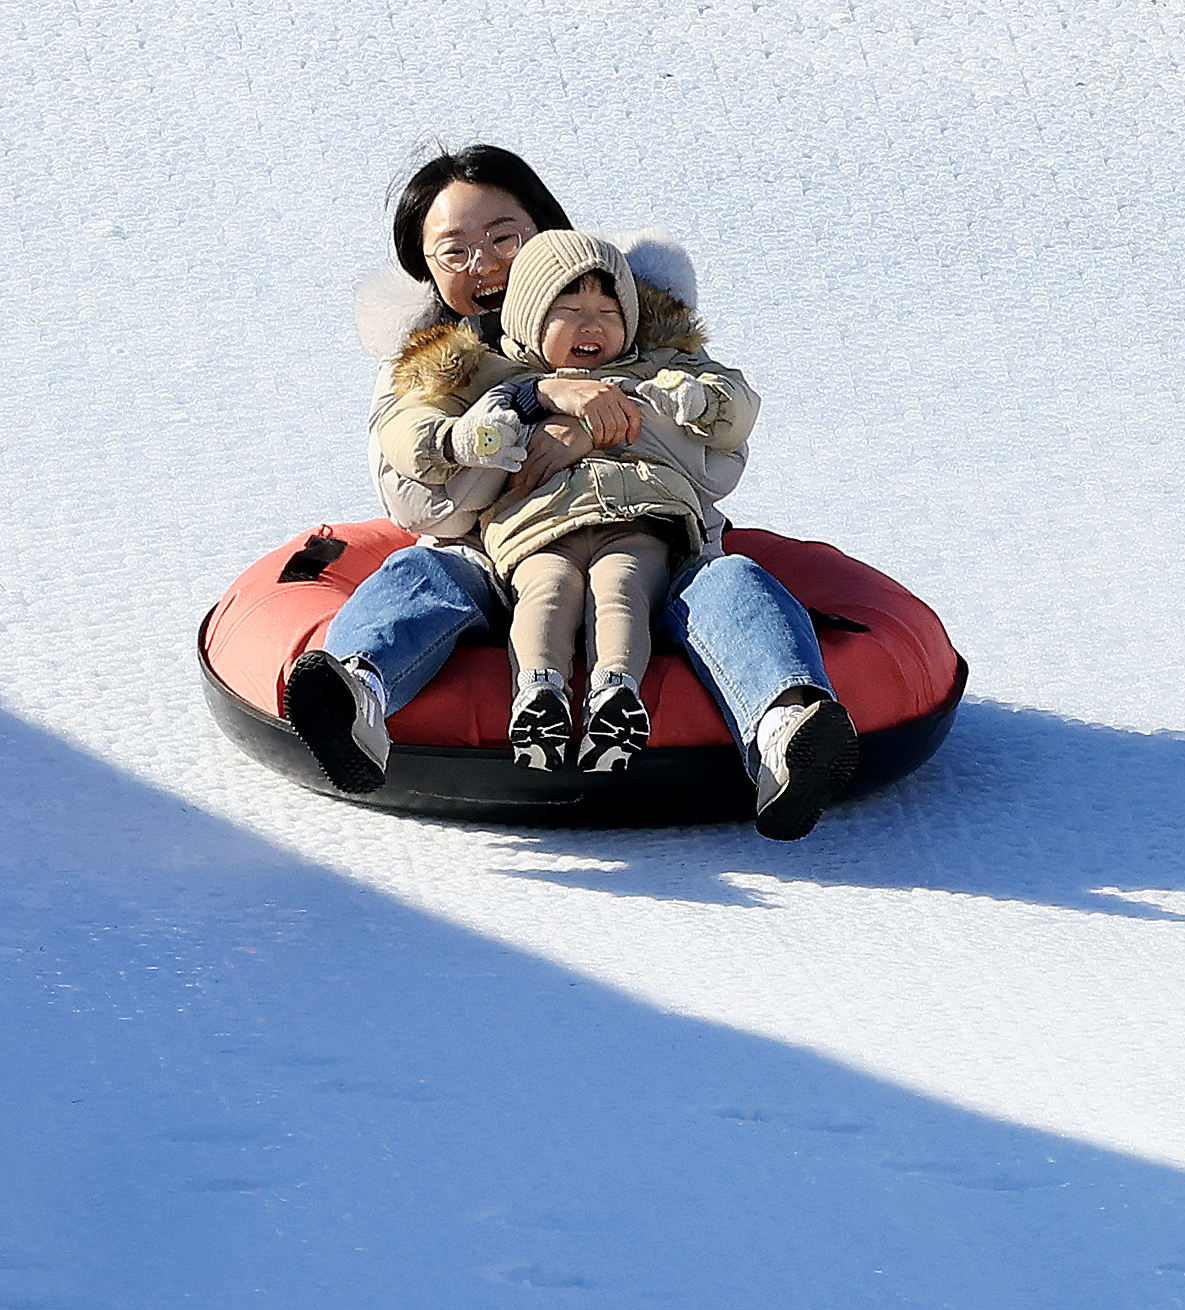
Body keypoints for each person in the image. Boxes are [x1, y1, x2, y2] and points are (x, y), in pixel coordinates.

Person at [284, 145, 858, 838]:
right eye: (454, 252)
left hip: (654, 542)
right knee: (421, 570)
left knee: (731, 580)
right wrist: (528, 410)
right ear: (426, 271)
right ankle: (356, 693)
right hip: (499, 560)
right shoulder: (430, 369)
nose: (486, 264)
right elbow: (420, 502)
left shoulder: (638, 326)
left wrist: (600, 422)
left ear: (543, 229)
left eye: (503, 238)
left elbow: (716, 462)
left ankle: (785, 729)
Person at [393, 228, 764, 774]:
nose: (591, 325)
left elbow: (738, 405)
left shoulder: (653, 370)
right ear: (527, 318)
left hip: (640, 517)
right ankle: (539, 694)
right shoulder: (502, 382)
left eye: (608, 311)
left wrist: (699, 399)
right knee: (547, 590)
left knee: (624, 588)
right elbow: (412, 431)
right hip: (536, 525)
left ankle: (616, 694)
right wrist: (473, 434)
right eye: (569, 308)